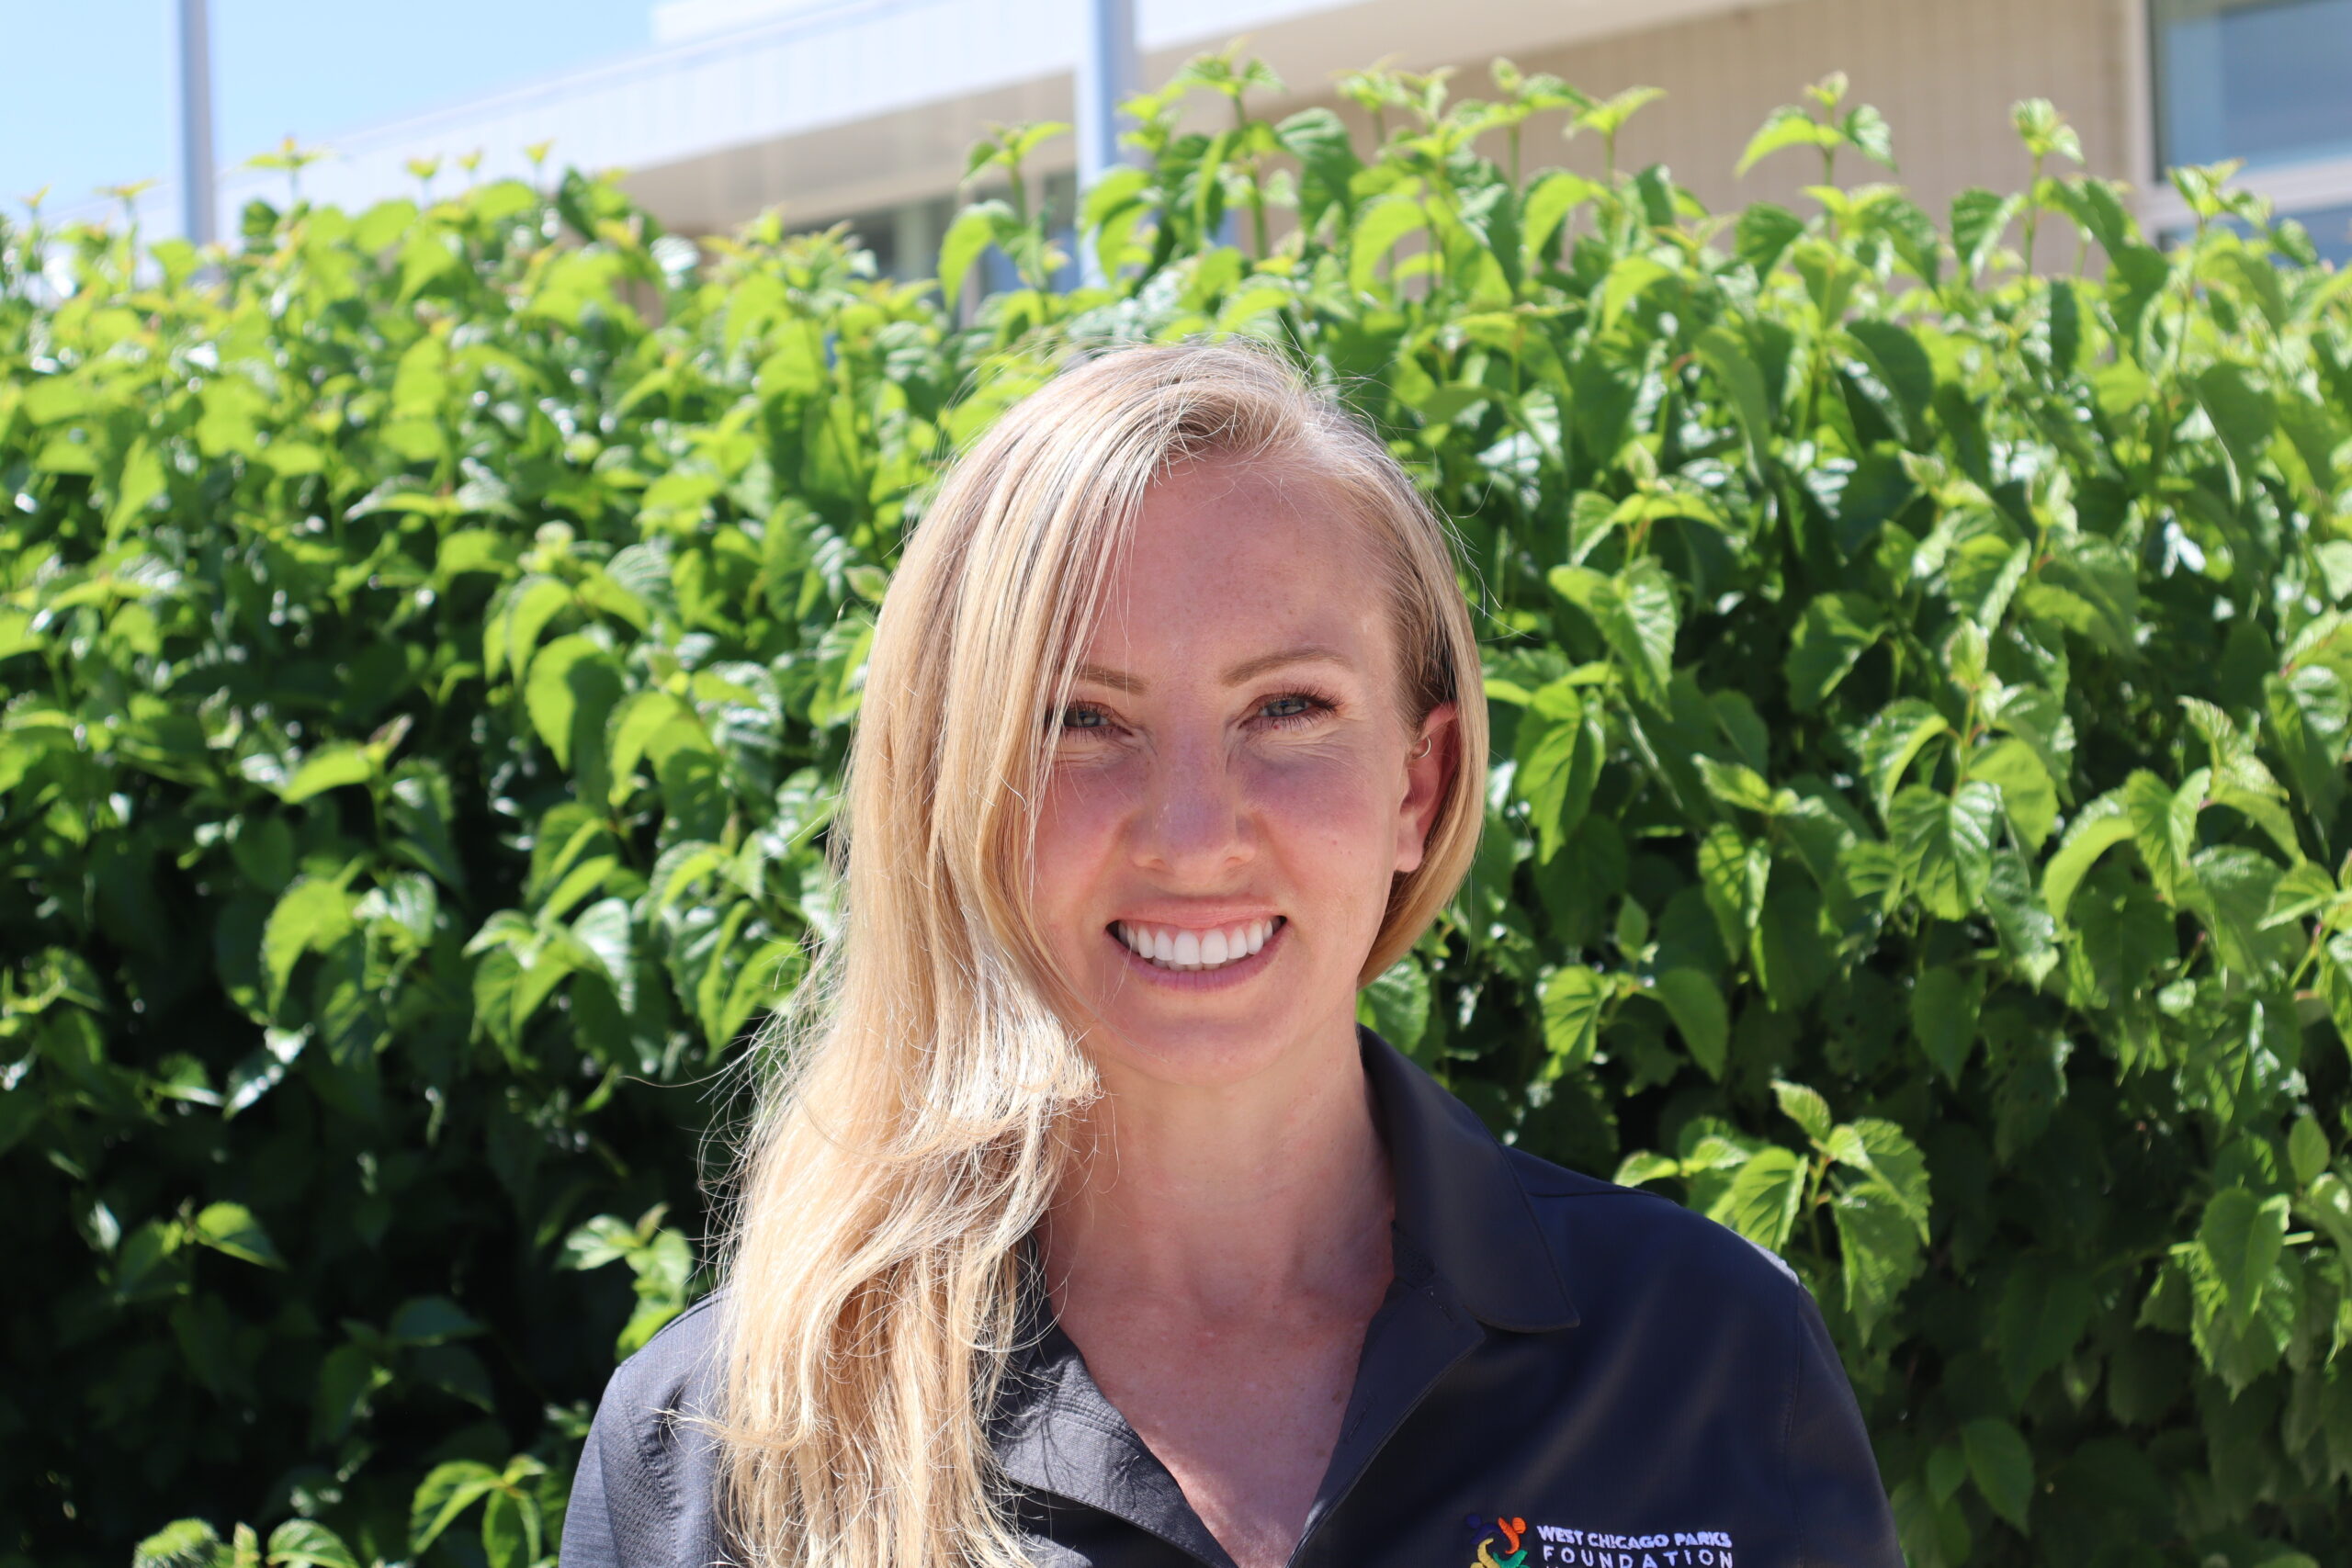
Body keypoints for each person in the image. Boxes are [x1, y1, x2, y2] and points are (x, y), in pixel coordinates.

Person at [560, 342, 1902, 1568]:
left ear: (1418, 789)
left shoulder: (1707, 1357)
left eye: (1288, 707)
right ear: (952, 790)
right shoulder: (720, 1452)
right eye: (1082, 720)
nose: (1193, 836)